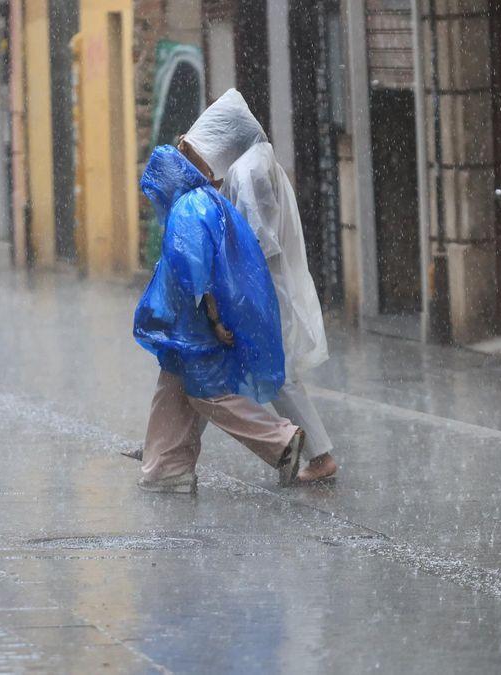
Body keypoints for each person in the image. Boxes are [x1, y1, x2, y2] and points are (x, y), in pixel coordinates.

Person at [180, 89, 338, 483]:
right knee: (214, 370)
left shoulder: (247, 171)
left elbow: (255, 240)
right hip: (264, 286)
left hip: (262, 288)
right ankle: (171, 451)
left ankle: (320, 457)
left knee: (270, 373)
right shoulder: (256, 161)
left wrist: (236, 293)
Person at [135, 144, 306, 493]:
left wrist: (213, 318)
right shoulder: (207, 200)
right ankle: (167, 466)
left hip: (193, 324)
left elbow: (195, 270)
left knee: (208, 394)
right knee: (173, 389)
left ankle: (281, 440)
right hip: (186, 327)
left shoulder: (187, 209)